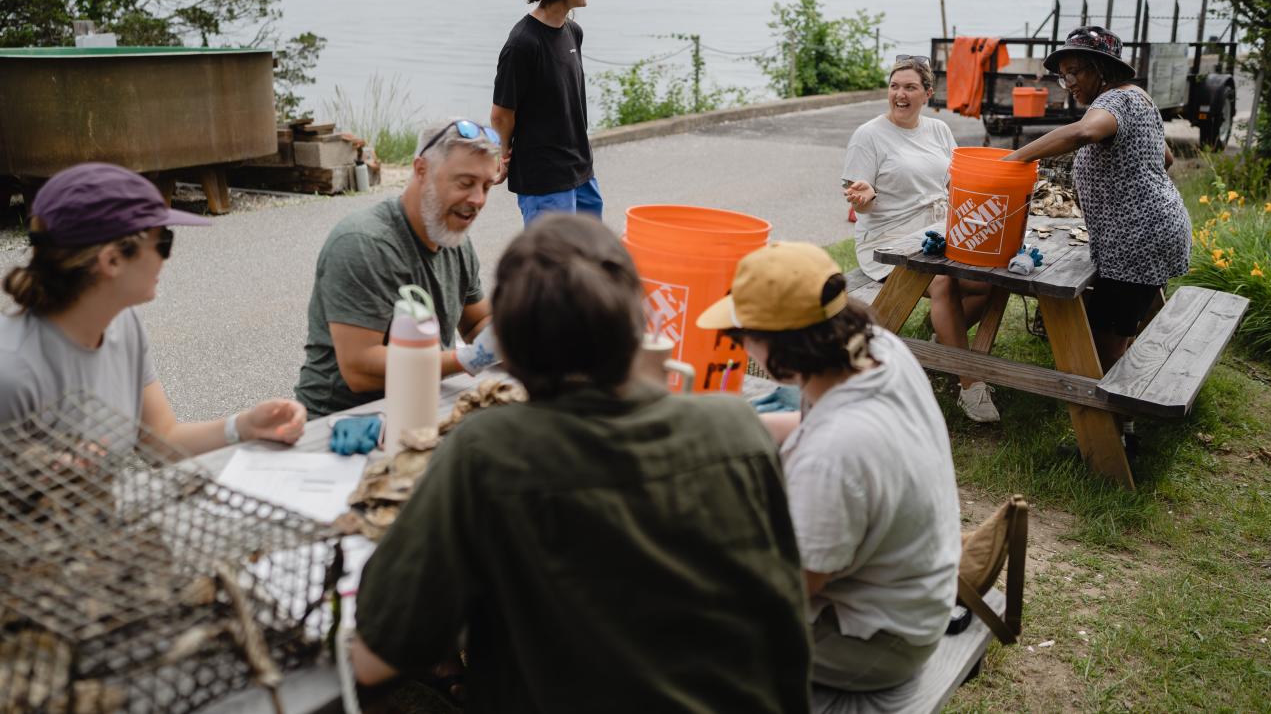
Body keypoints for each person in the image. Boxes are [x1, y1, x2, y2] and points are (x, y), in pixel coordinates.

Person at [350, 214, 812, 713]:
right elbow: (783, 628)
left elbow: (375, 659)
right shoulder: (736, 427)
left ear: (509, 345)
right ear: (641, 325)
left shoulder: (488, 451)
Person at [698, 241, 961, 693]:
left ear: (777, 347)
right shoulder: (873, 349)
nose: (740, 350)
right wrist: (724, 430)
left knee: (672, 621)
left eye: (739, 339)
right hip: (915, 592)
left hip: (876, 640)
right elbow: (809, 425)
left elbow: (791, 587)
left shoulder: (834, 453)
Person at [0, 163, 305, 455]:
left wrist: (244, 426)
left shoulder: (121, 321)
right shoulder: (12, 370)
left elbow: (161, 439)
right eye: (163, 241)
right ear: (112, 260)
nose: (166, 258)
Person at [1004, 26, 1189, 371]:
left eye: (1075, 72)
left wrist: (1012, 160)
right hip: (1155, 230)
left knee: (1106, 344)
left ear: (1102, 68)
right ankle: (1121, 387)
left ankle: (1114, 403)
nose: (1069, 82)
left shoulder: (1113, 101)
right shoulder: (1139, 98)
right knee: (1117, 325)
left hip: (1136, 241)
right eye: (1063, 76)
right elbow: (1165, 158)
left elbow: (1083, 132)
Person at [294, 120, 500, 419]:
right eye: (465, 183)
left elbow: (476, 322)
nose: (478, 199)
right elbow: (360, 369)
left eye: (486, 186)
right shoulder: (364, 243)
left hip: (421, 403)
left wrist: (509, 337)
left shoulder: (453, 239)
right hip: (343, 420)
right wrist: (468, 358)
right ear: (421, 170)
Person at [843, 55, 999, 422]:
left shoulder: (939, 130)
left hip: (936, 233)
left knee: (987, 282)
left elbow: (956, 181)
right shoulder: (868, 135)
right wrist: (865, 197)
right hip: (887, 239)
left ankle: (943, 340)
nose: (900, 94)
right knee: (943, 281)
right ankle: (969, 384)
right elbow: (860, 198)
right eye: (895, 86)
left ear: (927, 93)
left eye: (910, 87)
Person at [490, 0, 610, 226]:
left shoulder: (573, 31)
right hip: (544, 178)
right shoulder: (523, 43)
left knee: (589, 248)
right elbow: (501, 114)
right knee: (552, 254)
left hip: (581, 169)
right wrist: (504, 154)